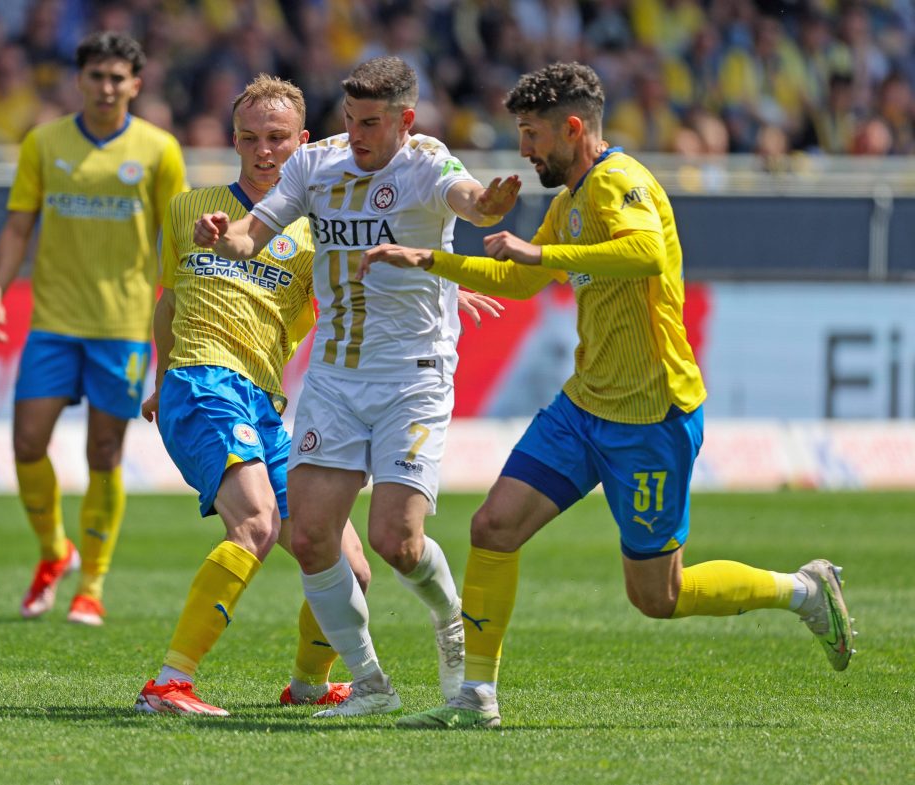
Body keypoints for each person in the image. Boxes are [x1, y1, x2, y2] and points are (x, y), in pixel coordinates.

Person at [358, 62, 856, 730]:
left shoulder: (620, 182)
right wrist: (430, 261)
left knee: (658, 594)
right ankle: (475, 696)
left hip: (652, 416)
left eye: (533, 135)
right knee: (492, 526)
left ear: (572, 127)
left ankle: (801, 590)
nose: (526, 152)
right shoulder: (570, 201)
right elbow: (519, 278)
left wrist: (547, 259)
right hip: (584, 406)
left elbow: (646, 252)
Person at [134, 74, 502, 716]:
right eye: (249, 138)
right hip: (203, 379)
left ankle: (311, 683)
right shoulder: (191, 207)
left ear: (299, 141)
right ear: (235, 140)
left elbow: (354, 288)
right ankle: (169, 682)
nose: (263, 150)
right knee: (255, 526)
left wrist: (447, 285)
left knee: (351, 563)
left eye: (276, 138)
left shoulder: (315, 225)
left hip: (268, 396)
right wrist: (163, 377)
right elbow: (170, 303)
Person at [0, 32, 186, 627]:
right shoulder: (45, 143)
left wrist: (178, 307)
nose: (106, 87)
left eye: (118, 78)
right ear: (80, 80)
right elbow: (18, 226)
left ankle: (90, 585)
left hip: (121, 325)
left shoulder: (159, 149)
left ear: (136, 85)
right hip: (53, 320)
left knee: (103, 452)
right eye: (96, 75)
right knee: (26, 443)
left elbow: (175, 237)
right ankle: (53, 553)